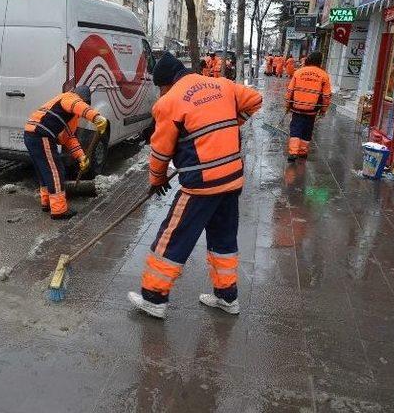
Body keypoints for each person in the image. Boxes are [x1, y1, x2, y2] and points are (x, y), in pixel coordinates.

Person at [127, 52, 263, 319]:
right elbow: (255, 100)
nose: (160, 92)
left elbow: (160, 151)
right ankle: (227, 297)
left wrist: (156, 179)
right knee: (223, 237)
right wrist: (230, 125)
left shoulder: (169, 102)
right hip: (232, 177)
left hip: (202, 184)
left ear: (166, 83)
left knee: (173, 236)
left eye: (160, 87)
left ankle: (153, 297)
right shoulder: (222, 85)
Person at [24, 86, 107, 219]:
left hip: (31, 134)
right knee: (55, 171)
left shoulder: (69, 115)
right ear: (81, 98)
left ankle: (47, 202)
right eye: (84, 103)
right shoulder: (70, 97)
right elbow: (76, 104)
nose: (80, 112)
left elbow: (67, 138)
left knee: (44, 170)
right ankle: (59, 210)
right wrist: (95, 117)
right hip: (40, 135)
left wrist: (81, 157)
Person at [284, 51, 331, 162]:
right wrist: (324, 109)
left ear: (308, 59)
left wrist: (287, 105)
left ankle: (293, 152)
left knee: (295, 128)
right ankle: (303, 152)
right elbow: (326, 95)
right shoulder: (324, 75)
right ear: (320, 62)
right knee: (307, 129)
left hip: (297, 108)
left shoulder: (299, 72)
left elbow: (290, 90)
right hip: (312, 109)